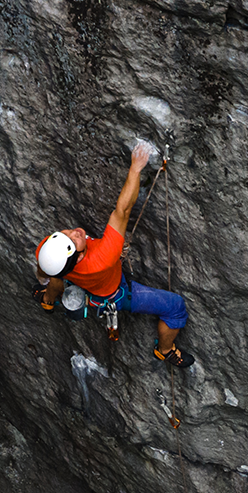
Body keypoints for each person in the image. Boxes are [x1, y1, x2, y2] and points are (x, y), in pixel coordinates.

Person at [34, 140, 194, 367]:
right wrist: (136, 167)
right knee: (175, 308)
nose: (76, 233)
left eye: (67, 233)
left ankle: (48, 300)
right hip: (114, 292)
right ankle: (165, 350)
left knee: (56, 275)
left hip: (75, 279)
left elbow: (46, 266)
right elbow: (123, 210)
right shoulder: (103, 257)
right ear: (78, 257)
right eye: (74, 241)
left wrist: (45, 276)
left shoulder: (49, 249)